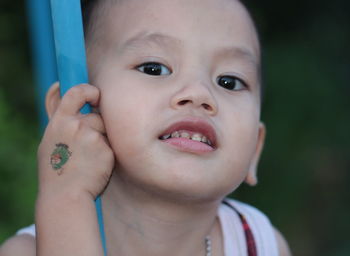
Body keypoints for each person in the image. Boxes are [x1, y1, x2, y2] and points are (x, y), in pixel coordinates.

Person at [0, 0, 292, 255]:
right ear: (74, 111)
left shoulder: (261, 244)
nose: (199, 94)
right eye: (154, 68)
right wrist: (66, 198)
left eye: (229, 81)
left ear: (255, 146)